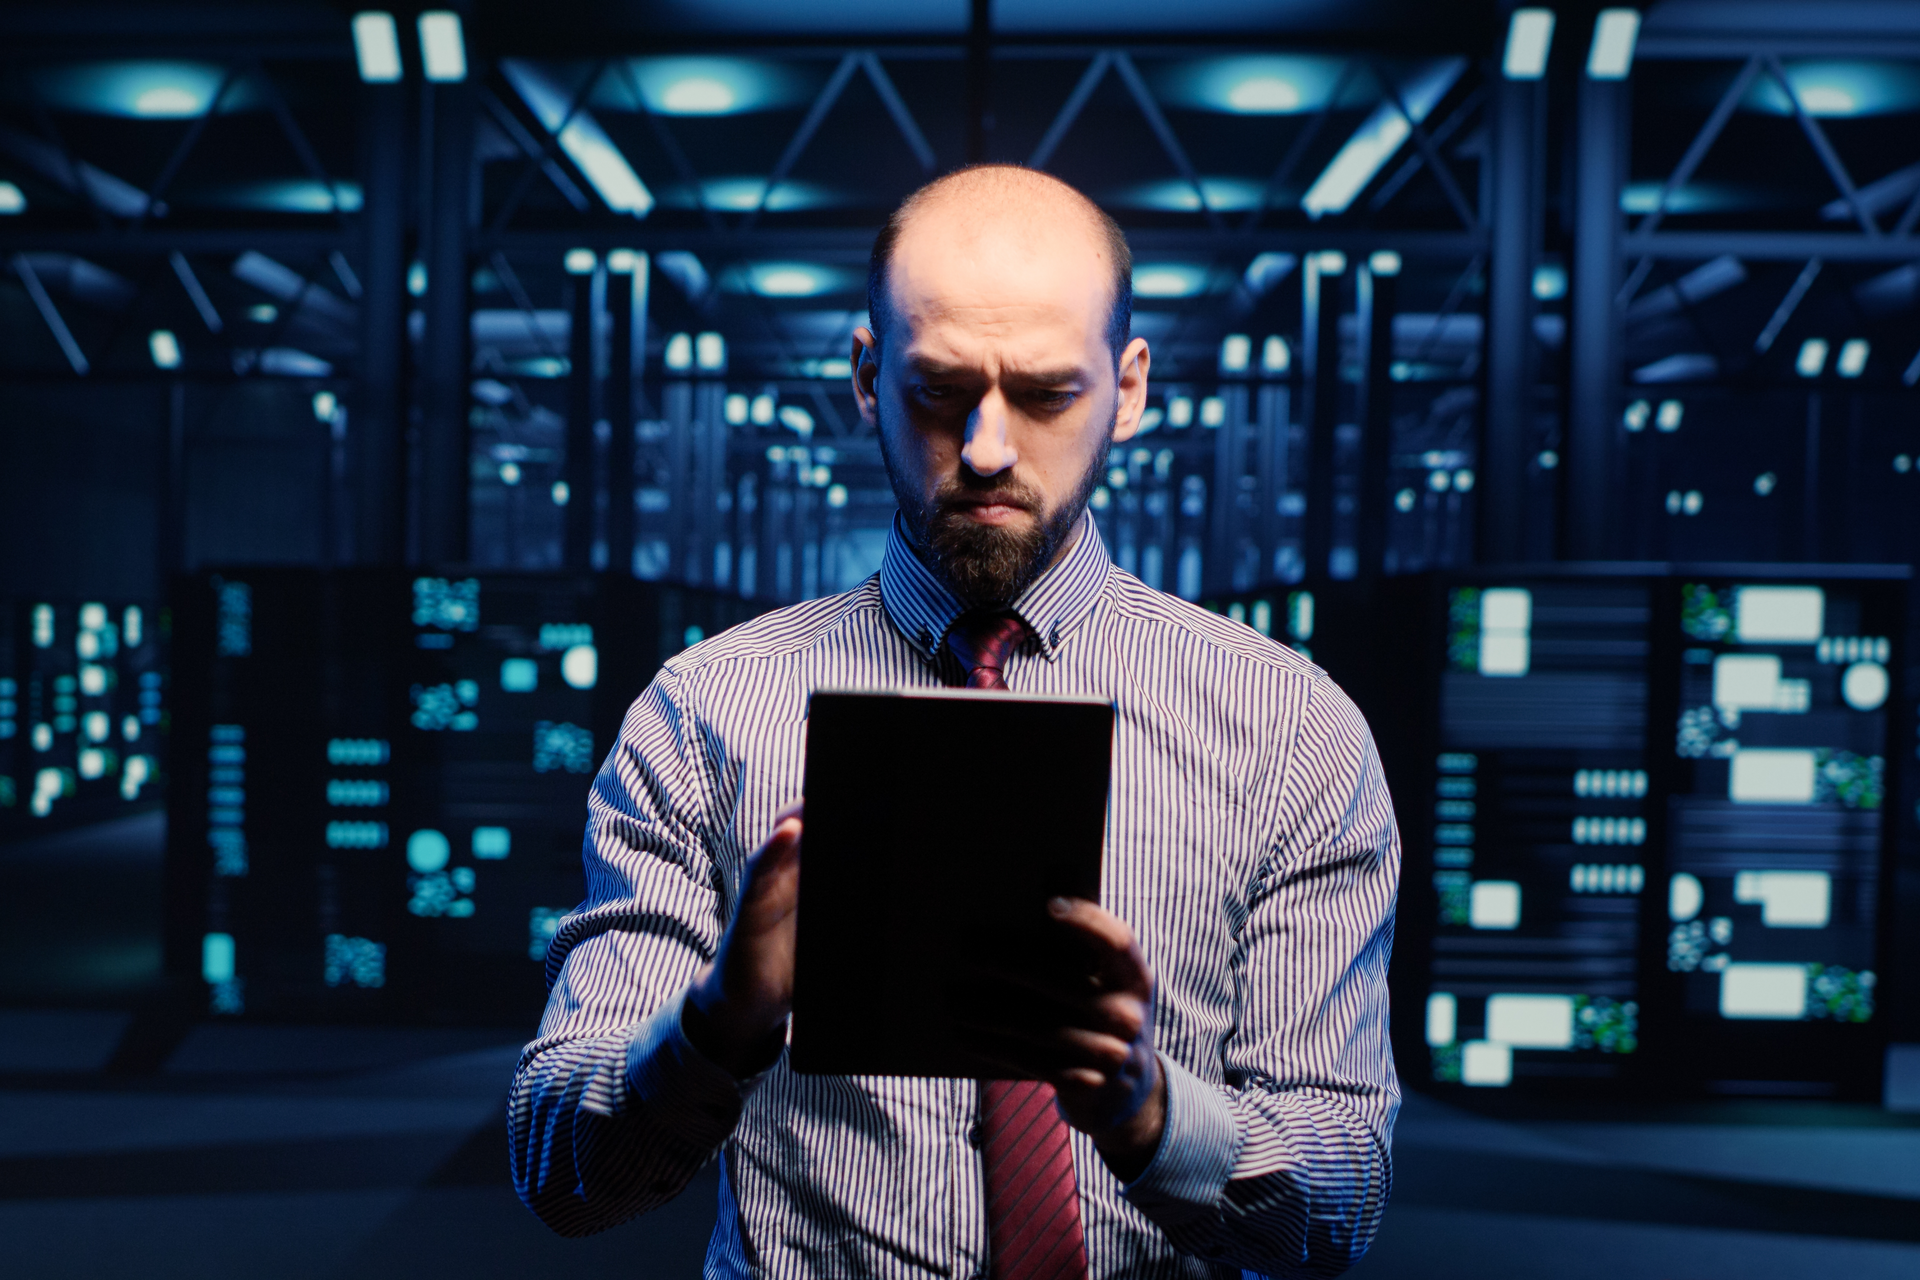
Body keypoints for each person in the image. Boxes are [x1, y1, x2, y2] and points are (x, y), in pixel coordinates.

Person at [509, 165, 1400, 1279]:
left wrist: (1155, 1117)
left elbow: (1340, 1202)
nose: (986, 446)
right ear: (867, 378)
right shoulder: (704, 716)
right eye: (939, 388)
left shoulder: (1290, 732)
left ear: (1127, 390)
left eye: (1044, 394)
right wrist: (717, 1023)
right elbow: (559, 1172)